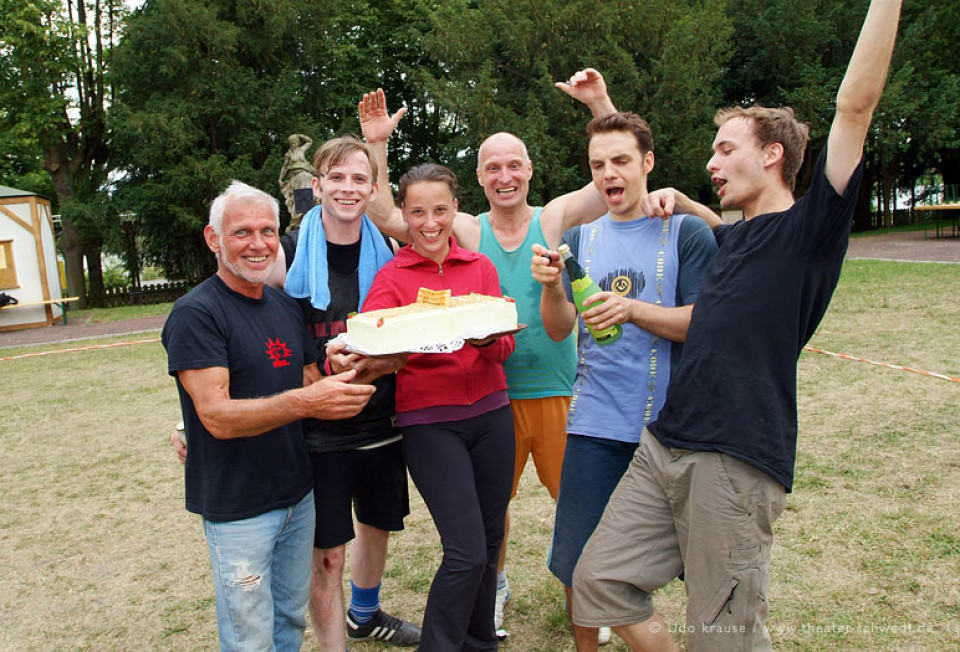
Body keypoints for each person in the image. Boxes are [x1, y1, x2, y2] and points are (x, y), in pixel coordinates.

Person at [571, 2, 904, 650]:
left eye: (726, 149)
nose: (711, 163)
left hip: (737, 458)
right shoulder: (731, 240)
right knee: (597, 583)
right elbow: (692, 207)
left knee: (724, 637)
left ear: (773, 154)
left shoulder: (808, 233)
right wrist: (687, 199)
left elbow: (855, 108)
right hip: (666, 444)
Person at [359, 70, 615, 636]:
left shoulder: (553, 217)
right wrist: (377, 144)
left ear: (529, 170)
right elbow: (385, 213)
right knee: (484, 524)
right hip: (477, 406)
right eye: (492, 167)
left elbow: (610, 181)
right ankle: (488, 602)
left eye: (514, 164)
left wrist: (598, 102)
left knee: (577, 506)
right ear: (478, 178)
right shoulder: (464, 231)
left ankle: (591, 601)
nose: (504, 175)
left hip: (551, 392)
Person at [161, 180, 376, 651]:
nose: (258, 244)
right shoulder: (196, 314)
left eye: (267, 231)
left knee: (286, 623)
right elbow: (216, 415)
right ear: (213, 239)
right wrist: (308, 403)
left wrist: (349, 368)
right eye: (241, 233)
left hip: (297, 496)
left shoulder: (281, 304)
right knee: (250, 636)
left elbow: (304, 379)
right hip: (239, 507)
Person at [531, 112, 717, 652]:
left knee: (700, 572)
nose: (608, 174)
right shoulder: (577, 240)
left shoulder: (685, 231)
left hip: (671, 430)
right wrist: (550, 290)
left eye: (620, 161)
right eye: (597, 166)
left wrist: (632, 310)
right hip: (595, 426)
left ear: (647, 164)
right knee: (576, 564)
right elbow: (561, 327)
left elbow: (703, 323)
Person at [273, 135, 421, 648]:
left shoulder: (393, 254)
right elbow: (249, 336)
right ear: (316, 186)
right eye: (336, 177)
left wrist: (386, 361)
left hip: (382, 418)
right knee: (329, 552)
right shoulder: (287, 253)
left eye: (359, 178)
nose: (347, 188)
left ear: (373, 187)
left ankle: (366, 612)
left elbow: (412, 334)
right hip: (318, 428)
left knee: (378, 524)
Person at [361, 164, 516, 651]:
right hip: (431, 424)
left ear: (455, 209)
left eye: (441, 210)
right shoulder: (392, 277)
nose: (430, 222)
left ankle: (479, 642)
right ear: (404, 215)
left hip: (492, 415)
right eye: (418, 212)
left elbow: (503, 346)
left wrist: (491, 339)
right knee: (466, 552)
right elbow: (371, 344)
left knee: (489, 546)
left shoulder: (481, 268)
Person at [279, 133, 316, 229]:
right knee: (302, 193)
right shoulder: (289, 154)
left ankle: (308, 216)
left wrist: (300, 135)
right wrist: (280, 178)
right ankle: (300, 218)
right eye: (292, 143)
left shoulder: (301, 150)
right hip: (298, 176)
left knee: (310, 193)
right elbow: (285, 167)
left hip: (307, 174)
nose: (294, 144)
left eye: (296, 142)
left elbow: (309, 141)